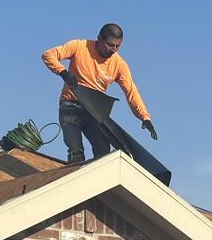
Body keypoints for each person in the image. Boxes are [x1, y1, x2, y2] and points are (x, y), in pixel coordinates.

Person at [41, 23, 157, 163]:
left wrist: (144, 117)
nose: (113, 50)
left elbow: (131, 91)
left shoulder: (119, 65)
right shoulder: (79, 46)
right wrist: (63, 73)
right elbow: (48, 55)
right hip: (70, 105)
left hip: (94, 111)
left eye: (117, 46)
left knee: (103, 151)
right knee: (76, 151)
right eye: (110, 45)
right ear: (99, 39)